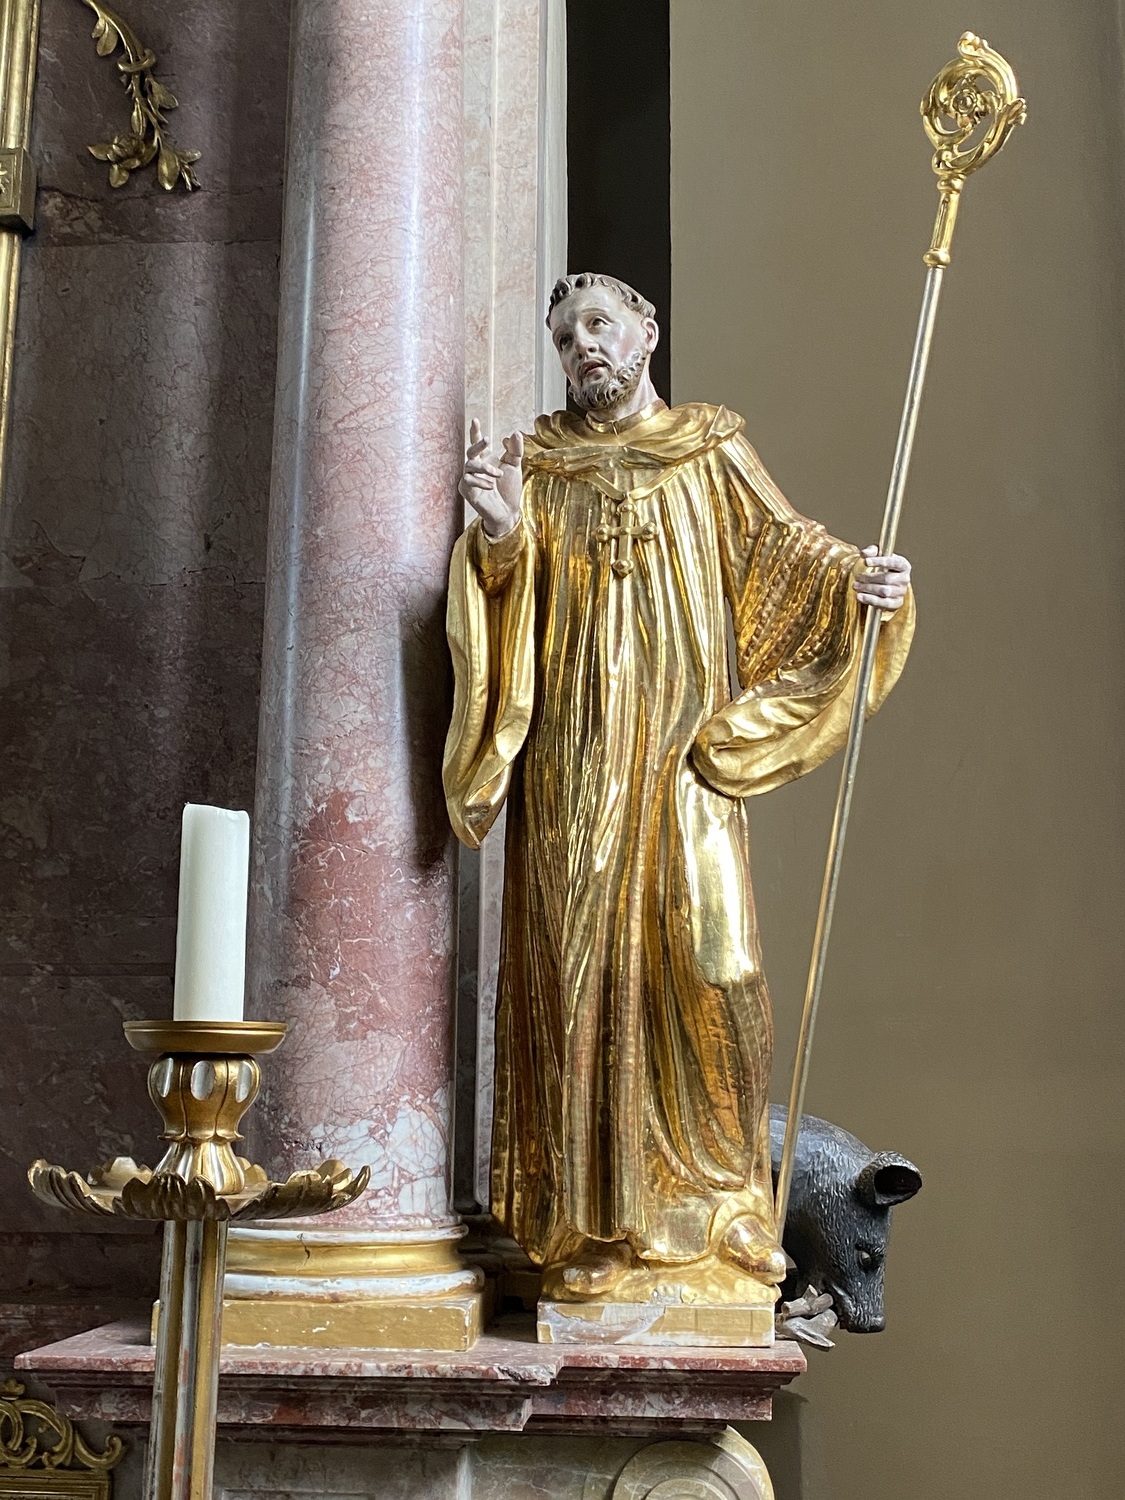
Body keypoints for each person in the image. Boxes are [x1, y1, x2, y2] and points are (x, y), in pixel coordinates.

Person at [443, 272, 913, 1310]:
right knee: (579, 978)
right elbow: (505, 600)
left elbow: (788, 556)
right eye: (564, 336)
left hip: (683, 757)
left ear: (646, 334)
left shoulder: (707, 448)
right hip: (575, 764)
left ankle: (722, 1205)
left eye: (599, 326)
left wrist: (862, 585)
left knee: (716, 968)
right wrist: (502, 533)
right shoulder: (539, 464)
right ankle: (591, 1224)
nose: (582, 347)